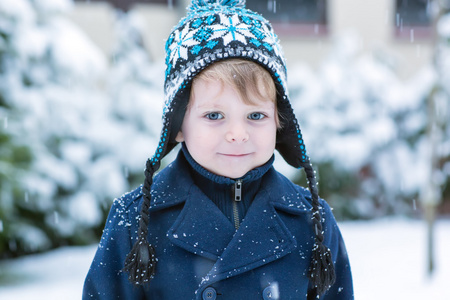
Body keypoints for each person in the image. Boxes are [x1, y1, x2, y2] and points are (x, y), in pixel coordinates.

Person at [83, 0, 353, 299]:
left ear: (279, 121)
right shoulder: (137, 222)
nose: (237, 134)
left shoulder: (311, 220)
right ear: (178, 126)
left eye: (255, 116)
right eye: (214, 116)